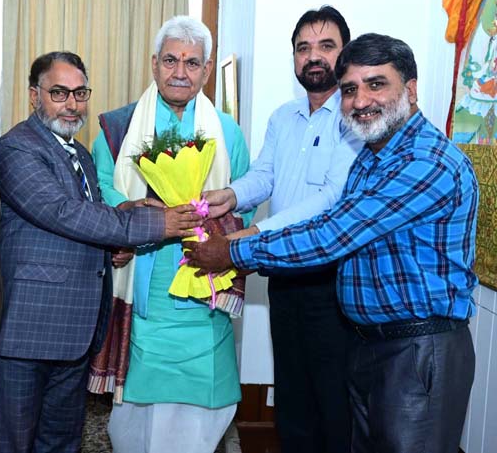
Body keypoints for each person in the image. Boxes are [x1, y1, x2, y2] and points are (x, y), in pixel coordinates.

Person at [188, 33, 478, 453]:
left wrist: (233, 251)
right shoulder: (371, 158)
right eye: (350, 89)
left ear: (411, 90)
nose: (361, 101)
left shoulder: (426, 161)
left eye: (376, 84)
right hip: (369, 344)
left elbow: (332, 235)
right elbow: (330, 221)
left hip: (417, 351)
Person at [0, 51, 201, 453]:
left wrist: (124, 220)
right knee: (12, 442)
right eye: (59, 93)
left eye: (80, 93)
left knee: (62, 441)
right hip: (29, 332)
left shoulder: (80, 153)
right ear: (34, 95)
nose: (72, 104)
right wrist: (156, 224)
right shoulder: (17, 148)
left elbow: (90, 215)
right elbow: (62, 213)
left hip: (75, 331)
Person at [89, 16, 252, 453]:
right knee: (137, 417)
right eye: (170, 60)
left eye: (192, 63)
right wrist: (139, 215)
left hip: (204, 291)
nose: (180, 72)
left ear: (207, 69)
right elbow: (102, 191)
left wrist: (206, 220)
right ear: (153, 64)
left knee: (201, 412)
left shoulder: (228, 132)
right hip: (141, 288)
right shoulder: (117, 129)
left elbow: (244, 201)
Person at [201, 6, 361, 452]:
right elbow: (264, 176)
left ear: (345, 53)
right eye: (303, 48)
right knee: (291, 394)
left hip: (332, 280)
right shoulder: (282, 117)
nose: (314, 56)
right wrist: (228, 196)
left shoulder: (355, 119)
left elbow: (331, 198)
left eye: (326, 46)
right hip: (285, 276)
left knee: (333, 399)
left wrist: (258, 234)